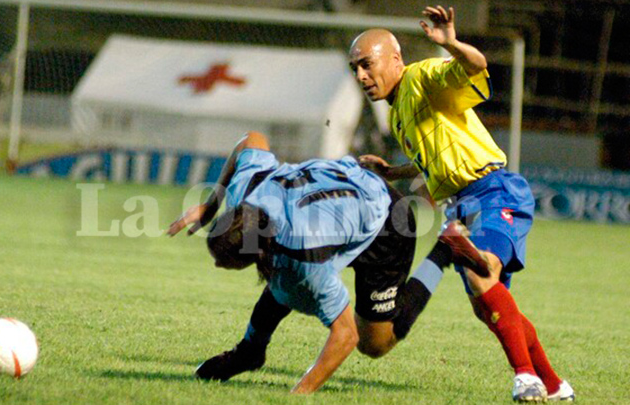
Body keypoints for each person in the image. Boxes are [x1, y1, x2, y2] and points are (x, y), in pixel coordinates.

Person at [348, 5, 574, 402]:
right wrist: (392, 172)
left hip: (493, 190)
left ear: (395, 58)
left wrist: (451, 44)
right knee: (487, 305)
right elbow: (428, 159)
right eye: (355, 69)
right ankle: (555, 386)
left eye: (367, 64)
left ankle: (526, 378)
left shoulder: (421, 77)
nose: (361, 76)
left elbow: (475, 66)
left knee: (479, 270)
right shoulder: (399, 111)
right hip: (463, 205)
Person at [168, 131, 448, 394]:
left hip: (387, 220)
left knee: (375, 343)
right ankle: (250, 351)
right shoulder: (247, 193)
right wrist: (211, 205)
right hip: (340, 200)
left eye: (223, 260)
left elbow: (346, 335)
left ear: (252, 253)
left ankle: (445, 249)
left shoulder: (304, 255)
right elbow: (251, 139)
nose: (217, 265)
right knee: (286, 276)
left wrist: (299, 393)